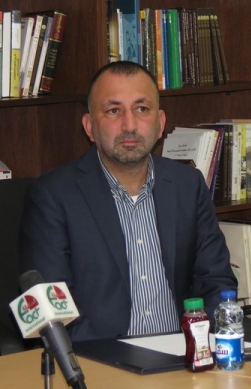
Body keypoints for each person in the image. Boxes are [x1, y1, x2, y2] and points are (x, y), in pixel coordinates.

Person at [19, 61, 237, 342]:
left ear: (160, 123)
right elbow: (53, 314)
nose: (129, 125)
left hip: (185, 355)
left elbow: (216, 281)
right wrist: (113, 360)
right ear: (89, 127)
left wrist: (202, 347)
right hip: (99, 360)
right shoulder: (52, 195)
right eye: (113, 111)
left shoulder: (188, 185)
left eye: (141, 109)